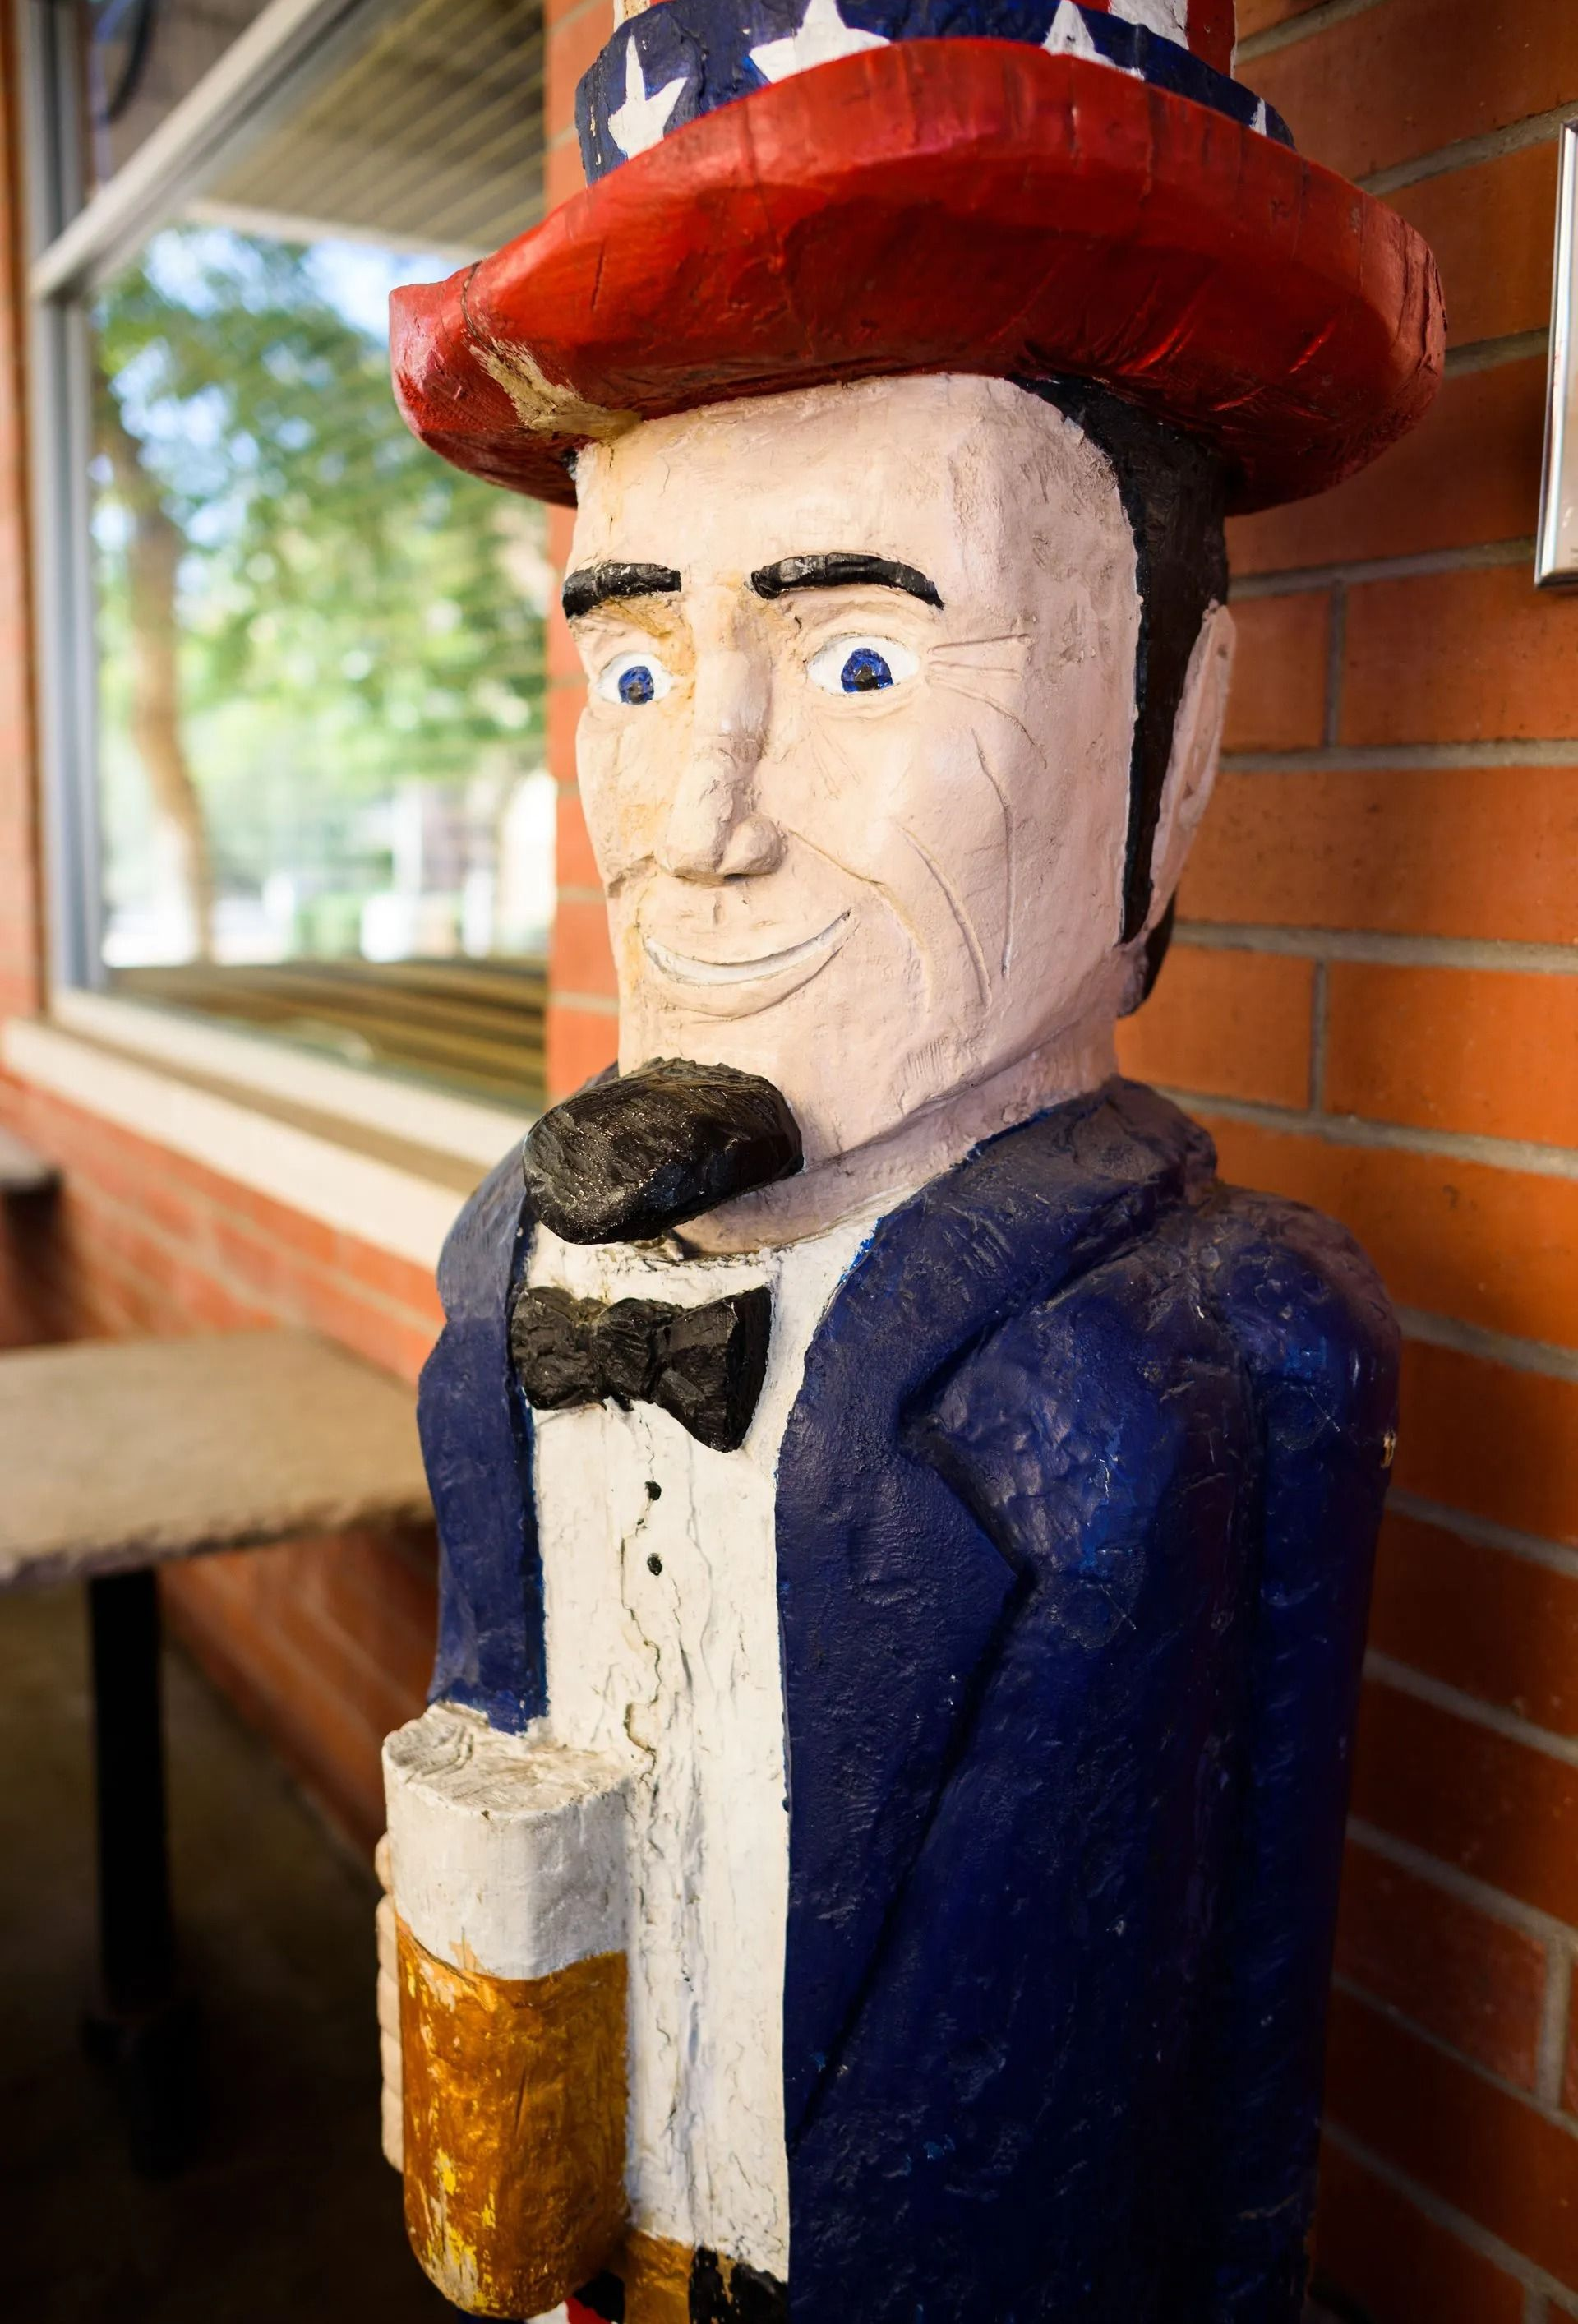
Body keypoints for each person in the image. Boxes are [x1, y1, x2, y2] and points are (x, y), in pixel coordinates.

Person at [379, 6, 1442, 2320]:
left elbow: (1247, 2003)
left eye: (861, 662)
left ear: (1177, 752)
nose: (708, 818)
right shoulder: (506, 1266)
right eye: (639, 677)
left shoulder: (1219, 1367)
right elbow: (483, 1719)